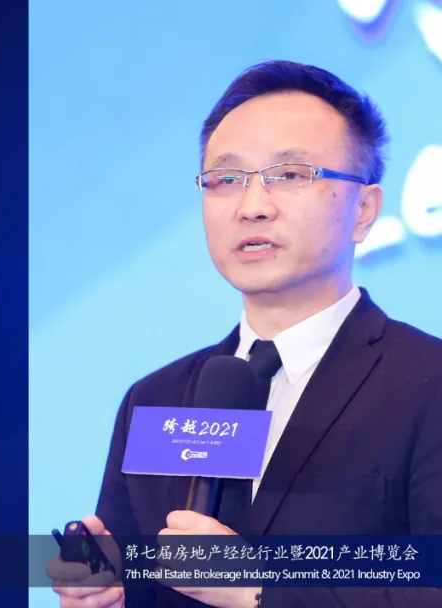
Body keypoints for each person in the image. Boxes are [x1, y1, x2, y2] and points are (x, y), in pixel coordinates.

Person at [48, 60, 442, 607]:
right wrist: (104, 597)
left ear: (364, 210)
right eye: (226, 180)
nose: (252, 206)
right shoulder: (155, 398)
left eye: (290, 175)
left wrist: (255, 588)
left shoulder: (427, 383)